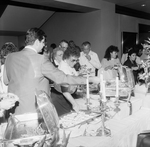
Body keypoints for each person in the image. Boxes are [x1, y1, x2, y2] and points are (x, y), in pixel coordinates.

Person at [3, 27, 100, 115]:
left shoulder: (10, 57)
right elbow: (62, 78)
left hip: (13, 109)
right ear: (37, 41)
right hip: (35, 110)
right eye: (43, 42)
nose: (44, 46)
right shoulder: (40, 59)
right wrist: (89, 79)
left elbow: (6, 81)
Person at [51, 46, 81, 116]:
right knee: (65, 118)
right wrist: (74, 103)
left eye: (76, 60)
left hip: (67, 96)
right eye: (73, 60)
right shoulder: (63, 68)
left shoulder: (69, 64)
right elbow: (65, 90)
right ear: (66, 58)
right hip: (60, 98)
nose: (75, 62)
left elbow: (75, 76)